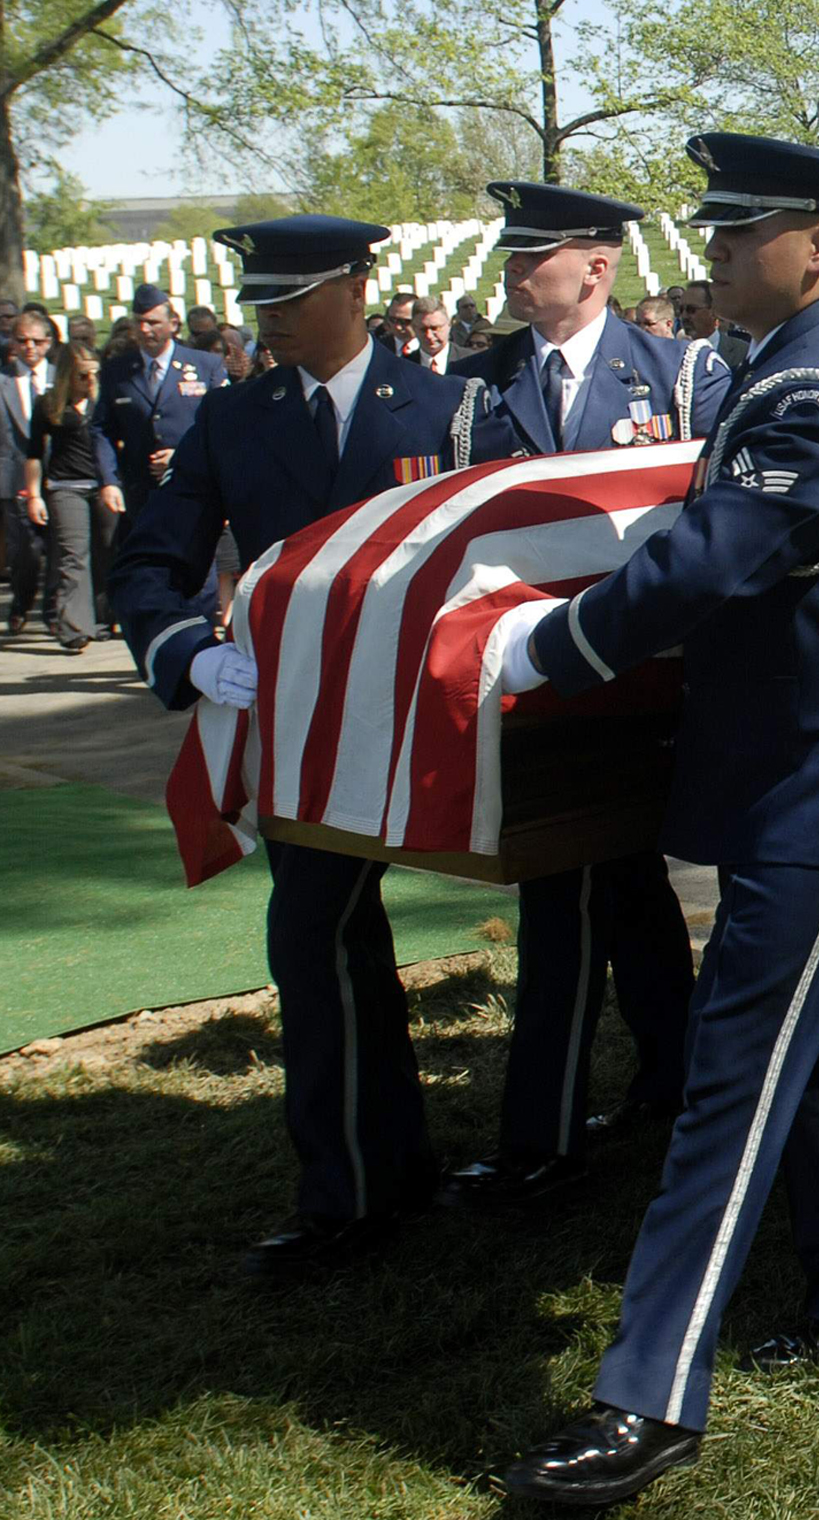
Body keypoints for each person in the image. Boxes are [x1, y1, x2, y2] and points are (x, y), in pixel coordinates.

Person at [494, 135, 819, 1507]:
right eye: (715, 232)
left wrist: (550, 644)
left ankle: (649, 1393)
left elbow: (711, 559)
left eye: (743, 234)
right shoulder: (794, 363)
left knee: (730, 1088)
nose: (717, 254)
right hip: (817, 773)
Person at [110, 215, 466, 1278]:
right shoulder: (232, 418)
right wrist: (184, 653)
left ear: (357, 289)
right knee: (315, 937)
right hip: (304, 726)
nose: (267, 315)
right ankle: (352, 1186)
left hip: (433, 719)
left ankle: (526, 1144)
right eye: (258, 297)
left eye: (290, 295)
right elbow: (151, 560)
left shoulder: (452, 406)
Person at [433, 181, 733, 1212]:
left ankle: (565, 1123)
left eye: (534, 258)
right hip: (538, 691)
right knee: (579, 884)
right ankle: (620, 1095)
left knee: (604, 880)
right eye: (511, 259)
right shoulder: (477, 388)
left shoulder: (683, 373)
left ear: (598, 266)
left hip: (653, 685)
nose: (514, 275)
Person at [92, 283, 227, 542]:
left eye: (153, 322)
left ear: (173, 323)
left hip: (194, 487)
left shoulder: (205, 365)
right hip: (139, 492)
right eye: (139, 322)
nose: (145, 329)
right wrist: (108, 480)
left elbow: (221, 427)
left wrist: (183, 456)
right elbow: (101, 429)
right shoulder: (117, 371)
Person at [22, 341, 122, 652]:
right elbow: (34, 454)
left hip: (103, 484)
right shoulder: (48, 404)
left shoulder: (103, 402)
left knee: (108, 549)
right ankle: (74, 627)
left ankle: (104, 619)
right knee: (73, 555)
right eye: (82, 375)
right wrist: (34, 496)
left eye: (94, 373)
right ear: (68, 374)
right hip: (65, 486)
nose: (89, 380)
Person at [2, 309, 49, 634]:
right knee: (26, 553)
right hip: (14, 480)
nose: (30, 347)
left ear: (48, 342)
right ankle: (22, 600)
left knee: (62, 553)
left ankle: (56, 614)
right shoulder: (3, 381)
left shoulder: (63, 377)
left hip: (59, 476)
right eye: (22, 341)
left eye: (36, 340)